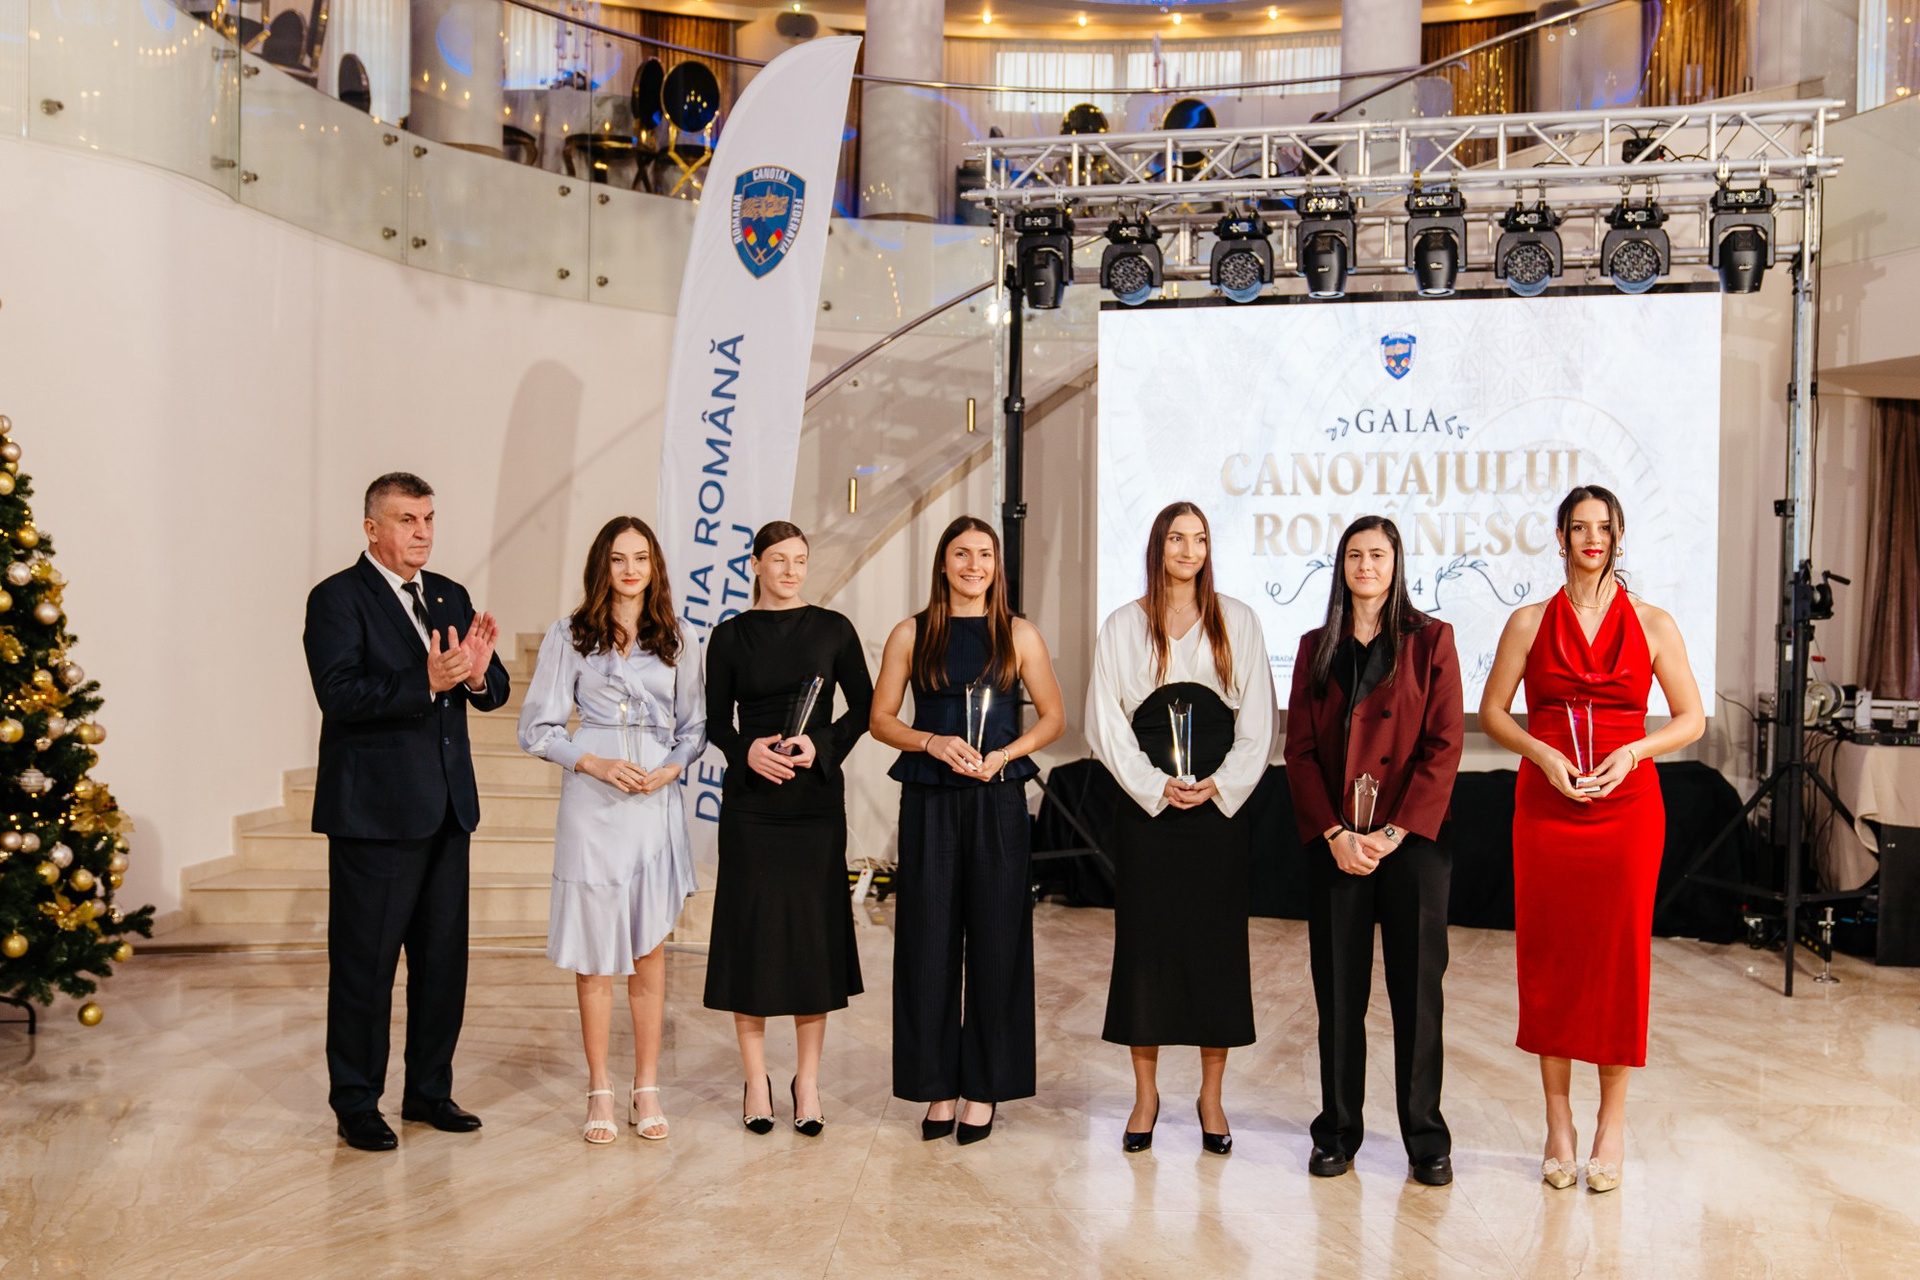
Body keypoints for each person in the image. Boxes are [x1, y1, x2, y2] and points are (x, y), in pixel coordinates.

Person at [1479, 486, 1703, 1193]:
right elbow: (1493, 712)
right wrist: (1542, 753)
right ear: (1560, 537)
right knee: (1549, 959)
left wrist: (1634, 752)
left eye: (1603, 527)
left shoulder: (1654, 623)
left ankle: (1611, 1121)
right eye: (1579, 527)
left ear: (1619, 536)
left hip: (1627, 810)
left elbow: (1691, 718)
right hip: (1546, 807)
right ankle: (1558, 1122)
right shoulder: (1528, 622)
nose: (1592, 538)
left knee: (1617, 961)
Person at [303, 472, 510, 1152]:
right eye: (406, 520)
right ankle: (357, 1102)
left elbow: (491, 686)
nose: (422, 532)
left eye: (428, 518)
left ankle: (428, 1091)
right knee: (365, 968)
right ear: (372, 529)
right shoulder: (337, 598)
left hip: (447, 809)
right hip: (374, 815)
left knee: (442, 964)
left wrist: (476, 674)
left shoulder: (448, 594)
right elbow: (339, 694)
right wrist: (422, 679)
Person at [869, 515, 1065, 1145]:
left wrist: (1005, 755)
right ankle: (937, 1086)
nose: (973, 565)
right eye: (961, 553)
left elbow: (1054, 717)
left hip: (998, 800)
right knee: (926, 943)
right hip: (930, 799)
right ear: (943, 563)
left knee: (998, 941)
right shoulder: (911, 632)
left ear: (996, 566)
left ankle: (984, 1087)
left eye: (984, 554)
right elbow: (880, 719)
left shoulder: (1019, 633)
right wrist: (931, 741)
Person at [1086, 501, 1274, 1156]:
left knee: (1215, 954)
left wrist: (1219, 784)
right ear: (1157, 546)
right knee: (1146, 951)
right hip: (1149, 815)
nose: (1188, 551)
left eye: (1199, 539)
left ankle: (1211, 1097)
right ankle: (1145, 1096)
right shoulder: (1123, 625)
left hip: (1217, 814)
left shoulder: (1237, 622)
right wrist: (1154, 786)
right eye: (1176, 539)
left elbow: (1258, 722)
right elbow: (1105, 720)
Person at [1283, 516, 1464, 1187]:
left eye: (1378, 554)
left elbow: (1444, 746)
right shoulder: (1315, 647)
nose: (1366, 565)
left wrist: (1392, 833)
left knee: (1418, 995)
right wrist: (1335, 834)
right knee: (1338, 996)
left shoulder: (1431, 640)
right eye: (1355, 554)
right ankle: (1336, 1132)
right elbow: (1299, 752)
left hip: (1411, 843)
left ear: (1396, 563)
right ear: (1342, 565)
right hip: (1338, 842)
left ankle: (1426, 1139)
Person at [518, 516, 705, 1145]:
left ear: (655, 567)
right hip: (593, 804)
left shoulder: (679, 637)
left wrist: (671, 769)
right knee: (596, 953)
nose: (630, 569)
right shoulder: (569, 635)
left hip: (654, 802)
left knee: (649, 950)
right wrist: (592, 763)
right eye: (619, 558)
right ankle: (599, 1085)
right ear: (602, 565)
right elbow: (537, 729)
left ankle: (645, 1085)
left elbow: (694, 727)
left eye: (641, 558)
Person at [702, 521, 873, 1137]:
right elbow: (715, 722)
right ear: (755, 564)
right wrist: (745, 750)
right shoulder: (729, 636)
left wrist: (819, 743)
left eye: (800, 559)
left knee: (810, 939)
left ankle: (807, 1081)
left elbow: (867, 708)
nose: (792, 570)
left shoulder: (833, 628)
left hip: (813, 805)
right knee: (751, 935)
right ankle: (756, 1080)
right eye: (779, 559)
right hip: (752, 806)